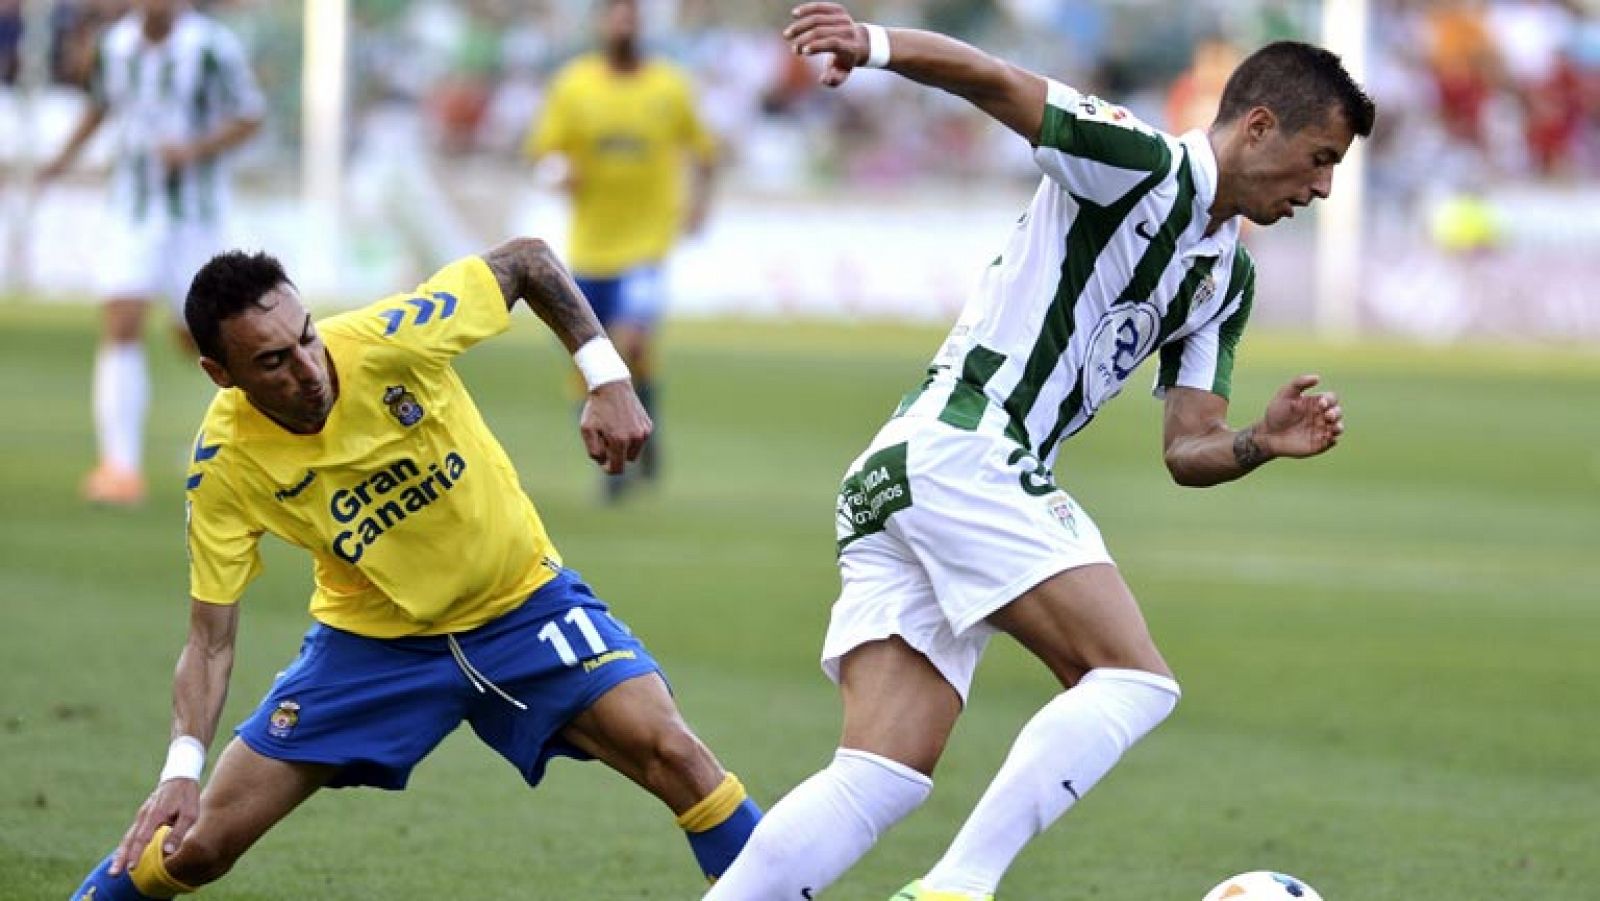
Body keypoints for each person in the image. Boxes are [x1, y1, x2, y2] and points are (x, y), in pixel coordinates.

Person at [707, 5, 1372, 899]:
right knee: (1134, 679)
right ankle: (957, 887)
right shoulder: (1140, 164)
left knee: (881, 773)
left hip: (905, 471)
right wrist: (875, 44)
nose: (1323, 187)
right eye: (1322, 158)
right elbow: (1000, 82)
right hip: (967, 446)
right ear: (1258, 126)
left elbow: (1187, 446)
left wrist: (1258, 441)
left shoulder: (1225, 275)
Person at [69, 236, 761, 900]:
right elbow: (210, 638)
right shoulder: (223, 465)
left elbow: (526, 261)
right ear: (221, 374)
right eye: (274, 361)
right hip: (373, 647)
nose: (310, 370)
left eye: (307, 336)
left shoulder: (392, 336)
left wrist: (607, 377)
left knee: (678, 756)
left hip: (524, 604)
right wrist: (179, 769)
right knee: (199, 843)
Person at [38, 0, 265, 507]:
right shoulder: (115, 46)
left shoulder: (211, 48)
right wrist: (59, 161)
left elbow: (250, 117)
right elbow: (100, 107)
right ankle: (120, 467)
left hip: (196, 218)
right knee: (120, 322)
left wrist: (195, 150)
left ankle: (261, 437)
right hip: (131, 213)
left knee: (206, 340)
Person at [523, 0, 718, 502]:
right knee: (587, 360)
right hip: (589, 250)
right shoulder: (574, 85)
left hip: (647, 247)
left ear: (640, 26)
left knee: (629, 345)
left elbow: (705, 152)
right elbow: (544, 151)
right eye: (615, 15)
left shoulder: (669, 86)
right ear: (601, 24)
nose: (623, 25)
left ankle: (628, 458)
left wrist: (700, 206)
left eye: (631, 16)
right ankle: (626, 446)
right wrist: (559, 171)